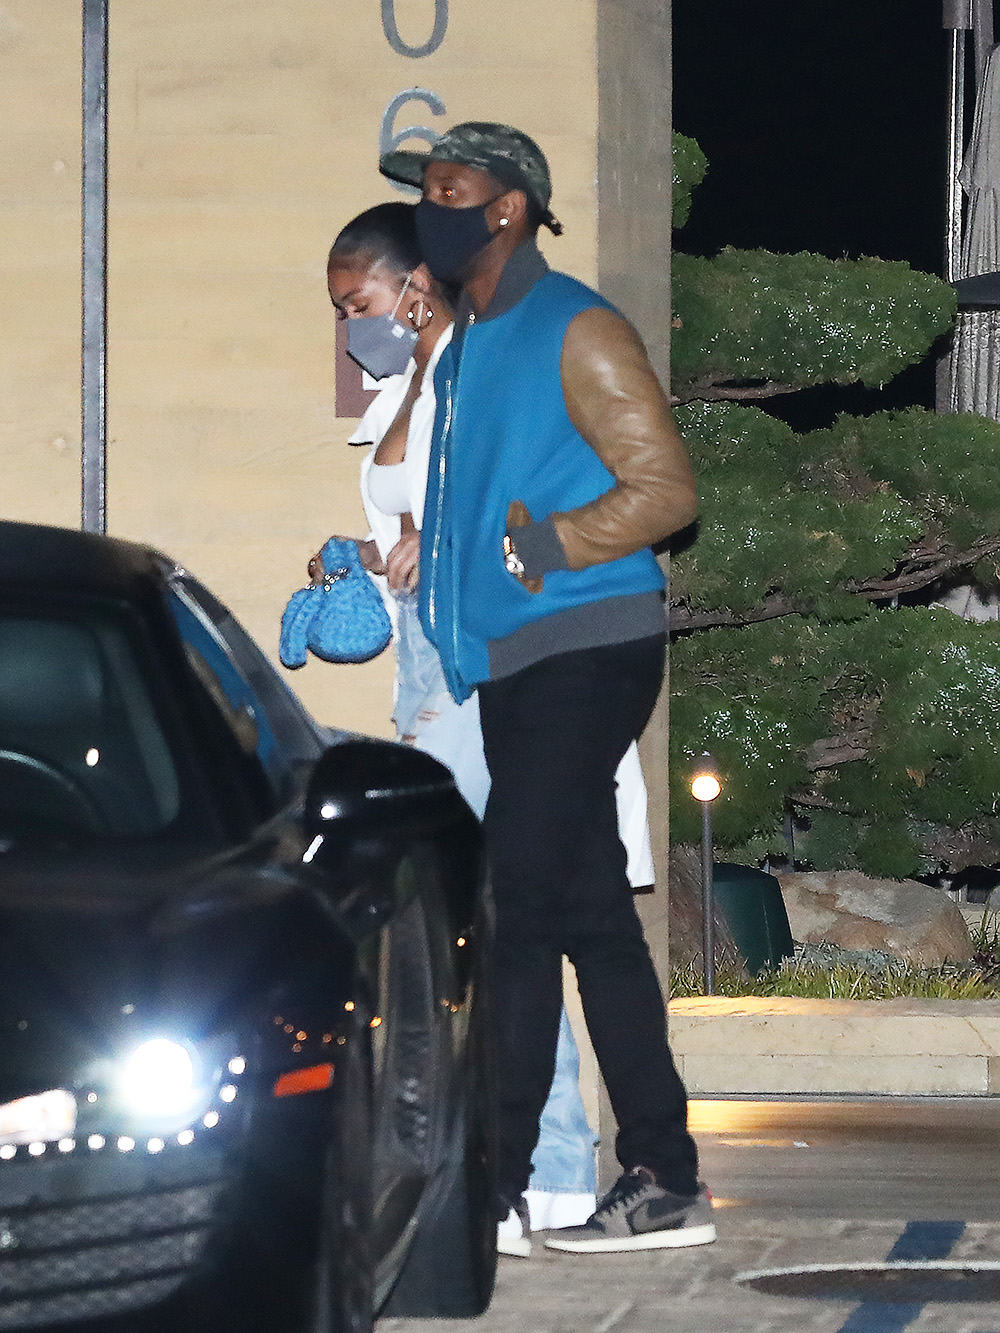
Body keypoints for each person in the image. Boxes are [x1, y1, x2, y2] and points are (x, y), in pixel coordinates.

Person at [379, 123, 714, 1255]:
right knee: (586, 921)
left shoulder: (576, 322)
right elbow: (485, 495)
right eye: (424, 192)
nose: (432, 208)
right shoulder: (472, 341)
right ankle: (663, 1178)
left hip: (588, 642)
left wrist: (558, 542)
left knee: (509, 910)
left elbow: (664, 488)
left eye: (449, 190)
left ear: (508, 207)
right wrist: (443, 562)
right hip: (515, 658)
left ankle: (496, 1187)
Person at [316, 203, 661, 1244]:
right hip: (431, 657)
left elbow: (534, 510)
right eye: (340, 310)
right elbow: (417, 520)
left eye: (359, 303)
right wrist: (370, 560)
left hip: (491, 659)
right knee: (493, 909)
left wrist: (452, 548)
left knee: (496, 911)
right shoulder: (401, 388)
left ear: (416, 283)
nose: (350, 327)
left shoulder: (489, 366)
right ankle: (527, 1165)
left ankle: (538, 1166)